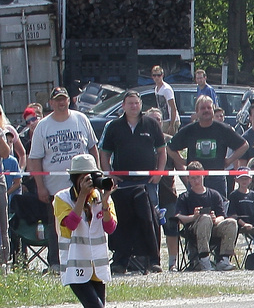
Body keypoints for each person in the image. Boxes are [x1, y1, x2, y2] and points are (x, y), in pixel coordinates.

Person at [97, 89, 165, 274]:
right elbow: (104, 154)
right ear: (123, 106)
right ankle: (121, 260)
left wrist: (159, 172)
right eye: (130, 103)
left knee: (151, 219)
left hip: (147, 181)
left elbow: (161, 151)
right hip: (122, 183)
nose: (134, 106)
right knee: (122, 221)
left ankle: (154, 259)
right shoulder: (113, 126)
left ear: (141, 105)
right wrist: (109, 174)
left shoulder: (151, 124)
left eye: (136, 103)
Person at [54, 154, 117, 308]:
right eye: (85, 178)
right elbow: (70, 225)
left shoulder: (100, 198)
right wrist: (81, 196)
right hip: (75, 266)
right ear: (76, 179)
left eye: (93, 177)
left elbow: (111, 228)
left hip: (97, 266)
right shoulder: (62, 198)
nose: (90, 182)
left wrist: (105, 200)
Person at [29, 87, 98, 207]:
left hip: (84, 186)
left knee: (87, 223)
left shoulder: (81, 119)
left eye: (63, 99)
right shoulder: (42, 126)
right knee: (59, 224)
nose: (61, 103)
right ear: (51, 103)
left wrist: (97, 174)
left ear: (69, 101)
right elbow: (36, 159)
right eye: (57, 100)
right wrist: (40, 187)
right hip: (55, 189)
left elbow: (93, 148)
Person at [168, 97, 245, 197]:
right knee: (194, 210)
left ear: (213, 110)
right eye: (203, 108)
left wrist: (229, 160)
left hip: (216, 178)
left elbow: (244, 145)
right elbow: (170, 147)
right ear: (197, 111)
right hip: (195, 178)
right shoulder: (189, 130)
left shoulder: (223, 129)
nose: (206, 111)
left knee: (219, 210)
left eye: (209, 108)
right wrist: (183, 161)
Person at [170, 163, 238, 271]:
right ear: (188, 179)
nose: (196, 181)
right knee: (205, 218)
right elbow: (179, 217)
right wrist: (194, 216)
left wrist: (215, 219)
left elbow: (222, 216)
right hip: (194, 229)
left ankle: (223, 259)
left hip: (213, 227)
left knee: (231, 222)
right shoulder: (184, 197)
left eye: (198, 177)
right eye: (193, 178)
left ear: (204, 176)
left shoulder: (215, 194)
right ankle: (204, 259)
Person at [227, 168, 254, 251]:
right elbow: (232, 214)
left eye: (246, 178)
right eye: (241, 179)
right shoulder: (234, 195)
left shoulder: (253, 194)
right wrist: (244, 224)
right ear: (237, 180)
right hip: (239, 224)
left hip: (253, 223)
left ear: (250, 179)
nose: (244, 181)